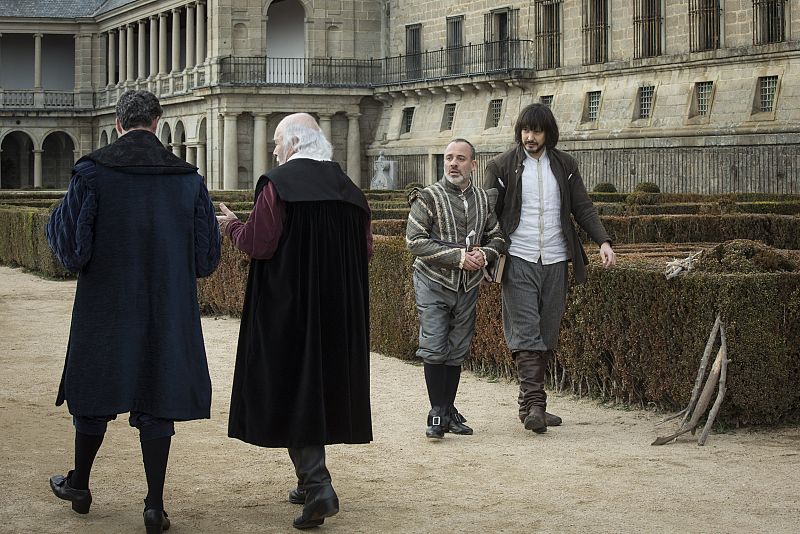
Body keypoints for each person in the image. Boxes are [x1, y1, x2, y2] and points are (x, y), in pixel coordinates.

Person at [46, 90, 221, 533]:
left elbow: (70, 251)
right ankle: (154, 505)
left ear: (120, 124)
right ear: (157, 123)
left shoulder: (91, 173)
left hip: (106, 305)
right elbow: (205, 259)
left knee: (93, 392)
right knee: (157, 398)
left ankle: (80, 485)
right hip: (167, 305)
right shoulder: (188, 178)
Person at [217, 113, 373, 530]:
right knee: (313, 390)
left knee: (289, 386)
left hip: (288, 307)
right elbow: (366, 251)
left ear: (295, 144)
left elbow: (259, 243)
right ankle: (309, 485)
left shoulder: (277, 185)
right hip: (338, 313)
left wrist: (232, 225)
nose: (273, 150)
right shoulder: (351, 191)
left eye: (277, 142)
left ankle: (318, 484)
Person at [484, 103, 616, 434]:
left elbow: (583, 208)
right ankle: (537, 406)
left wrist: (603, 241)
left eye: (537, 131)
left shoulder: (565, 165)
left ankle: (528, 404)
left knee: (546, 332)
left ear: (548, 133)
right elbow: (487, 213)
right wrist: (488, 251)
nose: (530, 137)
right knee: (527, 331)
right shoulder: (500, 165)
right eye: (526, 130)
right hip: (518, 258)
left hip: (556, 258)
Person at [405, 139, 506, 439]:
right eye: (449, 158)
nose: (453, 164)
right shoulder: (427, 198)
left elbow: (497, 236)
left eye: (460, 159)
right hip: (433, 282)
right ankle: (437, 413)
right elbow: (415, 242)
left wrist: (484, 254)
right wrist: (460, 257)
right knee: (435, 344)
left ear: (473, 164)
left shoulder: (484, 199)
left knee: (457, 349)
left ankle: (447, 410)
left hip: (468, 284)